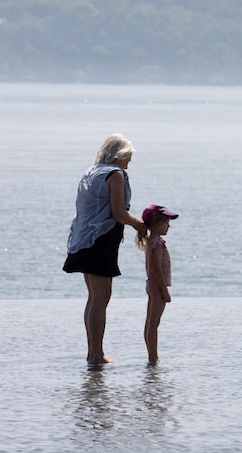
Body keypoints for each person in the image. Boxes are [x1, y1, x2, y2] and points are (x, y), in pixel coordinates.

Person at [63, 134, 144, 367]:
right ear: (118, 156)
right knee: (101, 298)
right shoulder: (115, 174)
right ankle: (96, 355)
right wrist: (140, 224)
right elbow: (119, 214)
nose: (129, 163)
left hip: (83, 238)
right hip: (101, 239)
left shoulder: (92, 171)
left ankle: (93, 353)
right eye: (128, 157)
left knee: (94, 298)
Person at [136, 204, 179, 365]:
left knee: (150, 321)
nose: (168, 226)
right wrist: (165, 292)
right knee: (154, 323)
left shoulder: (151, 241)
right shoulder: (158, 243)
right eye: (166, 223)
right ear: (156, 224)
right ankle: (153, 357)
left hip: (151, 285)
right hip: (157, 286)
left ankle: (152, 355)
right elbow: (156, 269)